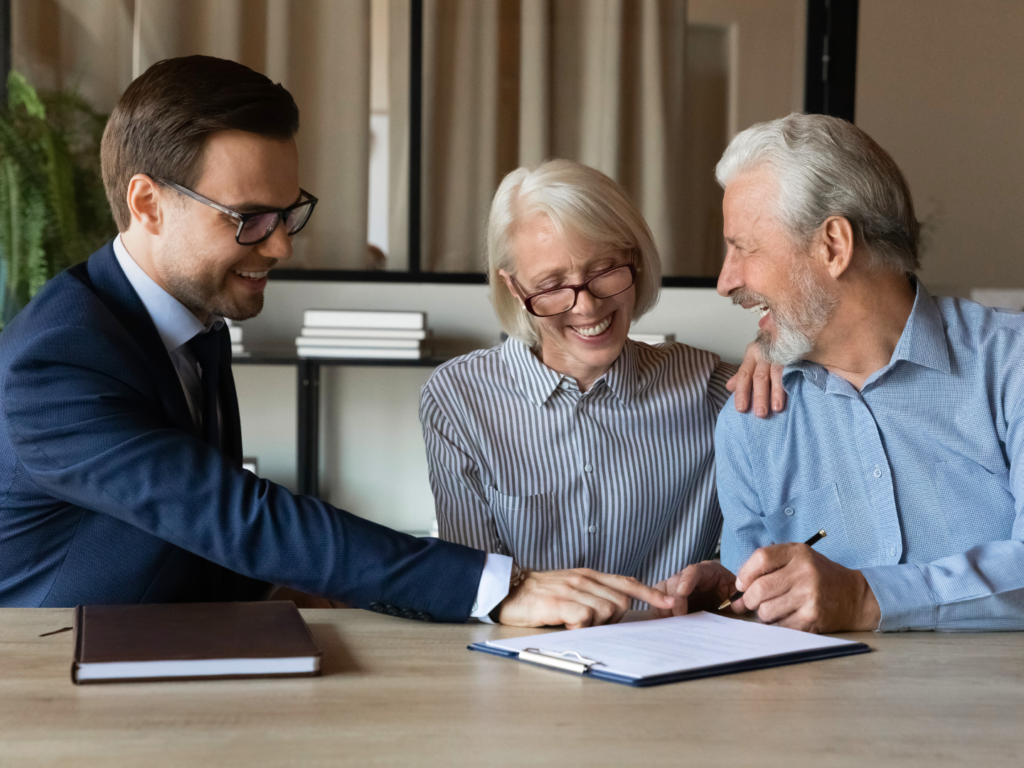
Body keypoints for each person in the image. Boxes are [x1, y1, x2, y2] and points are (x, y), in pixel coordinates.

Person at [0, 55, 676, 628]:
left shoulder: (186, 323)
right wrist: (502, 589)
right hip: (52, 678)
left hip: (158, 649)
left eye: (288, 212)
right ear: (148, 204)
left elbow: (182, 532)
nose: (282, 244)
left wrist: (271, 590)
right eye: (250, 219)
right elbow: (229, 513)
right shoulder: (57, 360)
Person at [656, 113, 1024, 633]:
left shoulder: (1012, 367)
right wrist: (738, 599)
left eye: (743, 247)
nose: (725, 280)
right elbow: (764, 629)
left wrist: (864, 598)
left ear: (833, 245)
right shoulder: (752, 418)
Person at [420, 160, 784, 595]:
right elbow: (477, 591)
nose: (588, 307)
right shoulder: (458, 399)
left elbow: (791, 538)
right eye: (552, 284)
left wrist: (784, 349)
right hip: (519, 654)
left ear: (635, 259)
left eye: (603, 271)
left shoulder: (710, 391)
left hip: (673, 655)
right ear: (515, 288)